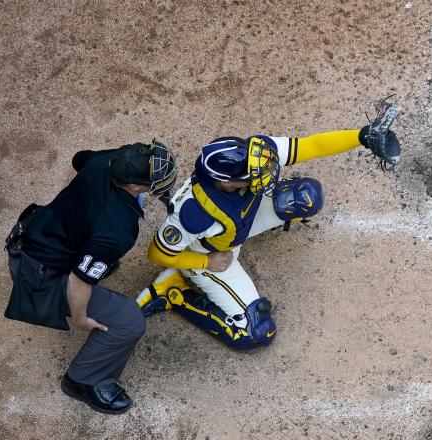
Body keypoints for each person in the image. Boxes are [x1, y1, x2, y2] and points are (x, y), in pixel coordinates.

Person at [135, 99, 401, 349]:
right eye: (253, 176)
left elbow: (311, 146)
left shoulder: (255, 153)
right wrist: (206, 263)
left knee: (306, 196)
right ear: (226, 182)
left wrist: (361, 136)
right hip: (210, 254)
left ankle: (259, 229)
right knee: (256, 333)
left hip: (238, 227)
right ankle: (174, 292)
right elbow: (157, 253)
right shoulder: (194, 214)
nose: (265, 173)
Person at [4, 140, 178, 414]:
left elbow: (79, 158)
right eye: (152, 178)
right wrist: (81, 316)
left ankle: (94, 264)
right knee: (129, 321)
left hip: (32, 235)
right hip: (38, 276)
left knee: (100, 259)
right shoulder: (118, 229)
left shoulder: (107, 161)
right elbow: (79, 280)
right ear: (133, 186)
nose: (163, 176)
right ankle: (83, 380)